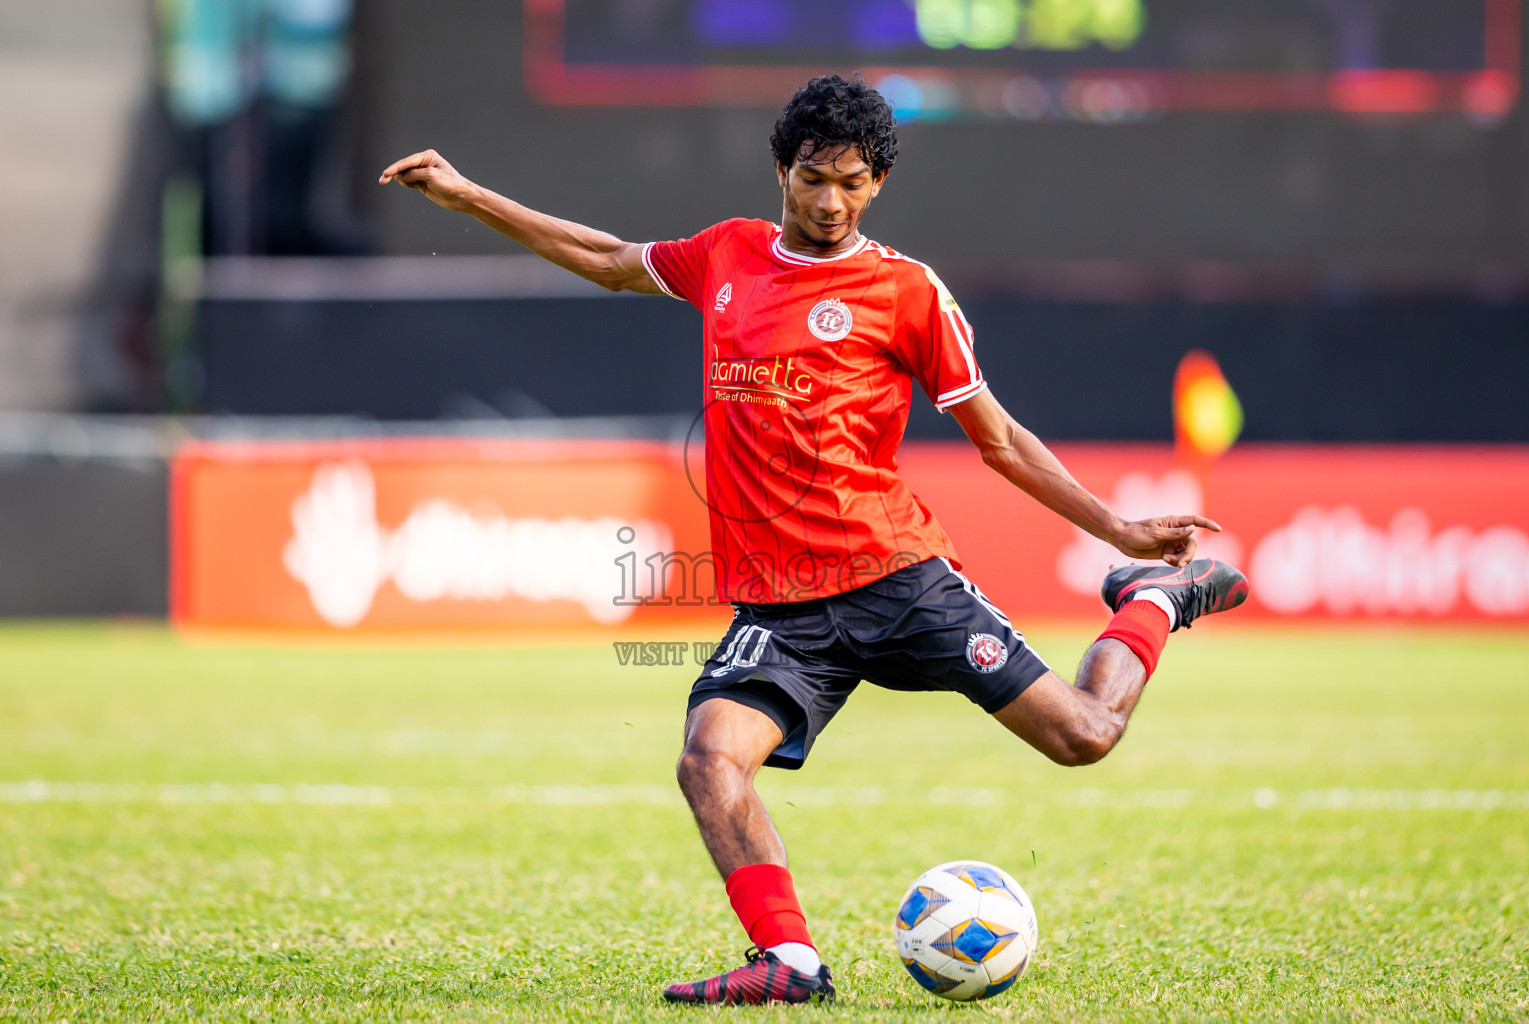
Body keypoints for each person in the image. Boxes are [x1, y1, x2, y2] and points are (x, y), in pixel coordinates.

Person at [380, 73, 1248, 1006]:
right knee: (709, 758)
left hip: (898, 578)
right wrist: (467, 195)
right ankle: (789, 963)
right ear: (781, 171)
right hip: (782, 607)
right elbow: (602, 256)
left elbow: (997, 439)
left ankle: (1151, 601)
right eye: (812, 178)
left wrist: (1119, 529)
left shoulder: (907, 292)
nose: (830, 202)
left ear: (877, 183)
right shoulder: (726, 256)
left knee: (1083, 736)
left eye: (853, 181)